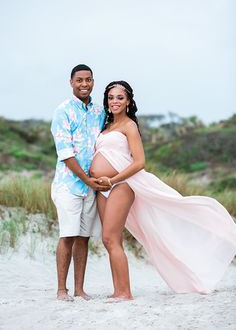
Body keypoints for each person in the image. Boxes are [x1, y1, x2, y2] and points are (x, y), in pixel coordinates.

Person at [90, 80, 236, 301]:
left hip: (121, 185)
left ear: (128, 101)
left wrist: (112, 180)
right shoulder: (105, 127)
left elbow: (139, 162)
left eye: (120, 97)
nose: (115, 102)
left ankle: (124, 293)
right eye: (111, 98)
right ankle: (118, 290)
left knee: (111, 237)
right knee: (110, 239)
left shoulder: (129, 126)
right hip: (102, 188)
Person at [51, 64, 109, 301]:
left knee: (83, 237)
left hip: (91, 187)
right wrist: (87, 180)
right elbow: (65, 153)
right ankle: (61, 290)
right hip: (69, 185)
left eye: (88, 80)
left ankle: (79, 289)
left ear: (93, 81)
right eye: (79, 80)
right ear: (71, 82)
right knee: (68, 235)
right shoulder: (62, 111)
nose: (84, 84)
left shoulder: (99, 112)